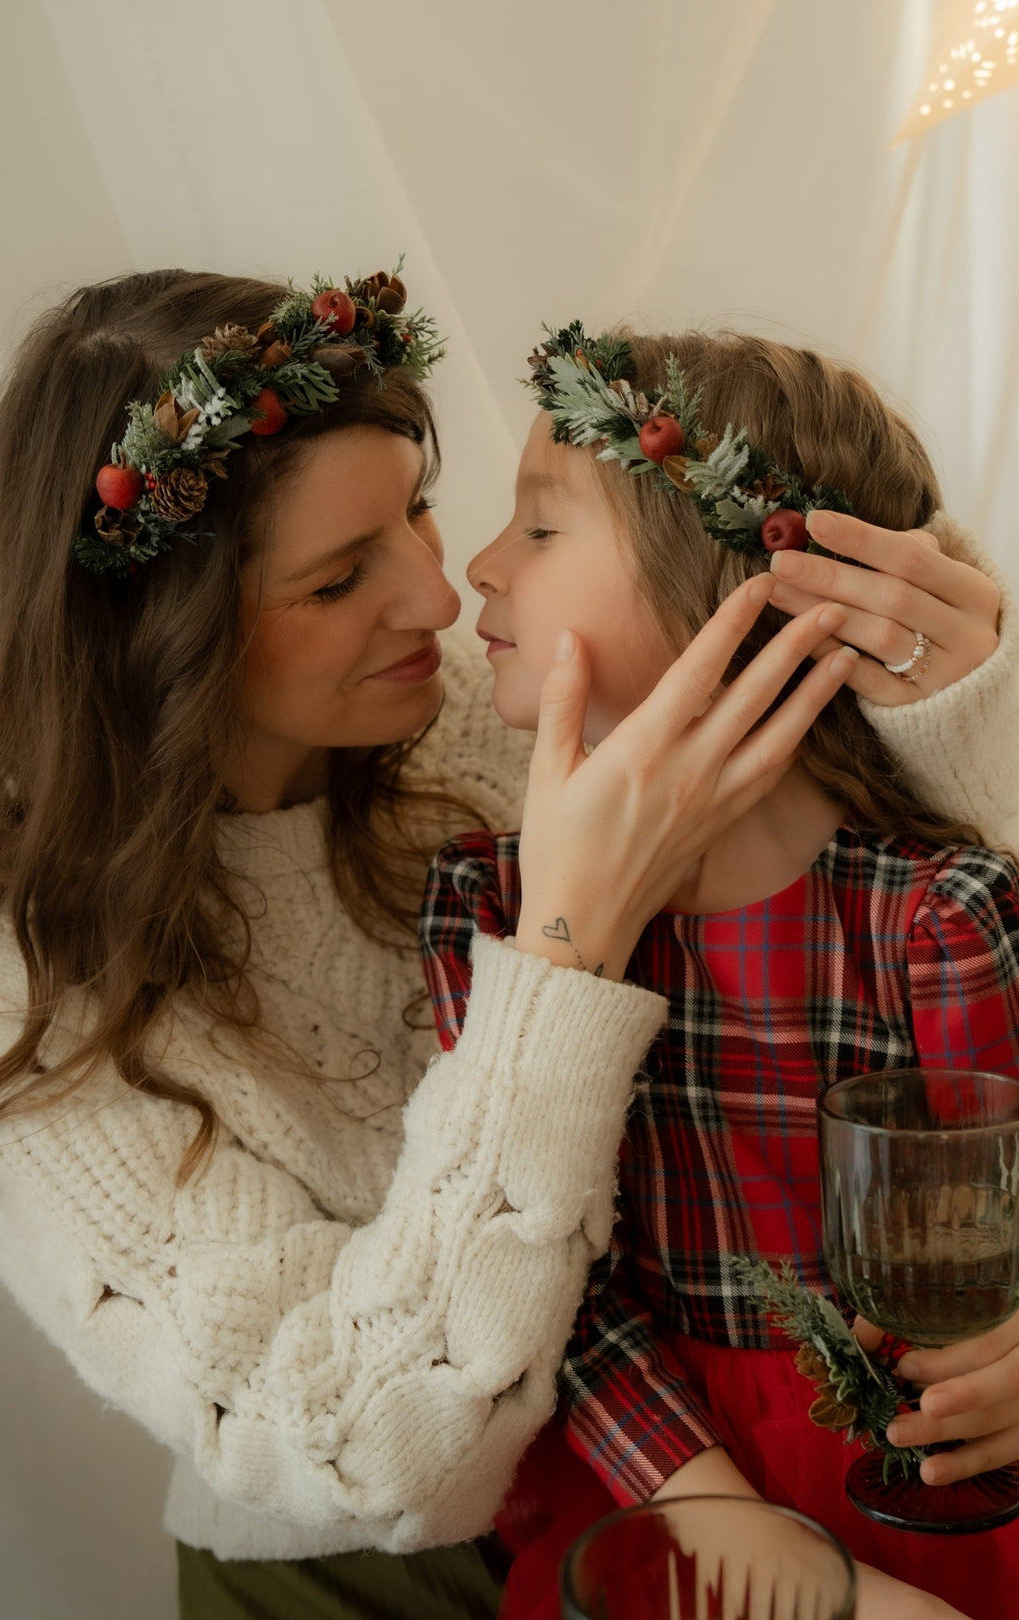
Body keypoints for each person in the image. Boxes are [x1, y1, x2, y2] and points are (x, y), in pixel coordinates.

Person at [0, 269, 1009, 1620]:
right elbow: (381, 1457)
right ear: (162, 638)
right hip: (367, 1565)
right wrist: (562, 949)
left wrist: (957, 710)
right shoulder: (1, 979)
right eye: (338, 579)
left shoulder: (494, 700)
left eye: (418, 512)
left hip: (767, 1470)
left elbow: (950, 1030)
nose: (441, 601)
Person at [420, 324, 1019, 1620]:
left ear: (738, 581)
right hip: (658, 1488)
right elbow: (542, 1287)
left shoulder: (935, 917)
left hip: (921, 1492)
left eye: (536, 527)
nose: (475, 567)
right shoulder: (490, 918)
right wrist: (722, 1525)